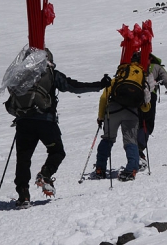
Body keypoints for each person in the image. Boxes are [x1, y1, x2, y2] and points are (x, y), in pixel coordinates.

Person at [13, 48, 110, 208]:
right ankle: (45, 174)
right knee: (57, 151)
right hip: (46, 121)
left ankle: (23, 195)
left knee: (23, 159)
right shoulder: (51, 73)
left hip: (24, 122)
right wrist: (99, 85)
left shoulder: (21, 76)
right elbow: (73, 86)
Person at [94, 52, 148, 182]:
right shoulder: (142, 80)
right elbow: (146, 107)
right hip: (132, 113)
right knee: (130, 141)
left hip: (112, 111)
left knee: (108, 138)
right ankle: (131, 169)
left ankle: (100, 168)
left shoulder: (120, 76)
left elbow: (103, 97)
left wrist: (101, 116)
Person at [137, 53, 167, 170]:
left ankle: (134, 152)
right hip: (150, 96)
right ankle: (139, 150)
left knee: (137, 123)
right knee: (148, 124)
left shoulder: (135, 66)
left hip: (134, 97)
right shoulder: (157, 68)